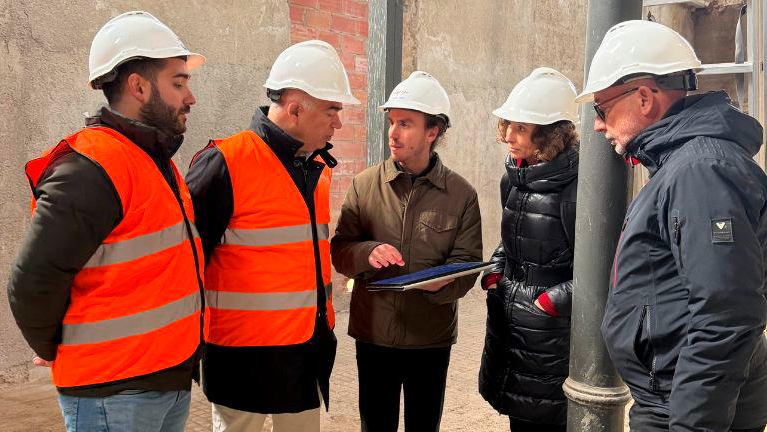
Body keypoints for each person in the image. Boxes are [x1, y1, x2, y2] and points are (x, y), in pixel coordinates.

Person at [7, 11, 206, 432]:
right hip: (113, 391)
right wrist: (60, 346)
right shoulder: (91, 167)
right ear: (138, 86)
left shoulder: (151, 161)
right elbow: (31, 282)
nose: (191, 97)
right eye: (179, 83)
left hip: (163, 378)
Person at [576, 20, 767, 431]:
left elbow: (726, 315)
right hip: (677, 399)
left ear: (644, 98)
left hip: (683, 410)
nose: (597, 125)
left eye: (602, 109)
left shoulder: (699, 171)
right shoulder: (685, 163)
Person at [186, 39, 360, 432]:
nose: (338, 123)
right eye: (332, 110)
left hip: (304, 358)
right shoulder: (223, 163)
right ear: (296, 108)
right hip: (240, 362)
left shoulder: (316, 170)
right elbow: (183, 264)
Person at [330, 71, 483, 432]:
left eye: (405, 123)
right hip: (374, 335)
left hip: (430, 337)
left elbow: (468, 265)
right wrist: (367, 252)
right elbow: (340, 251)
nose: (393, 133)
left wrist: (441, 286)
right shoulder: (365, 186)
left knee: (423, 426)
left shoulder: (461, 195)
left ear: (433, 132)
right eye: (392, 122)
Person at [477, 67, 579, 432]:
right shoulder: (514, 178)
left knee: (548, 420)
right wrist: (496, 269)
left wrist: (551, 302)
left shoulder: (577, 187)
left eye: (520, 128)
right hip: (511, 318)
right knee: (520, 418)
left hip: (550, 332)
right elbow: (511, 239)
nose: (507, 135)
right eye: (508, 125)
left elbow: (601, 268)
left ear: (550, 134)